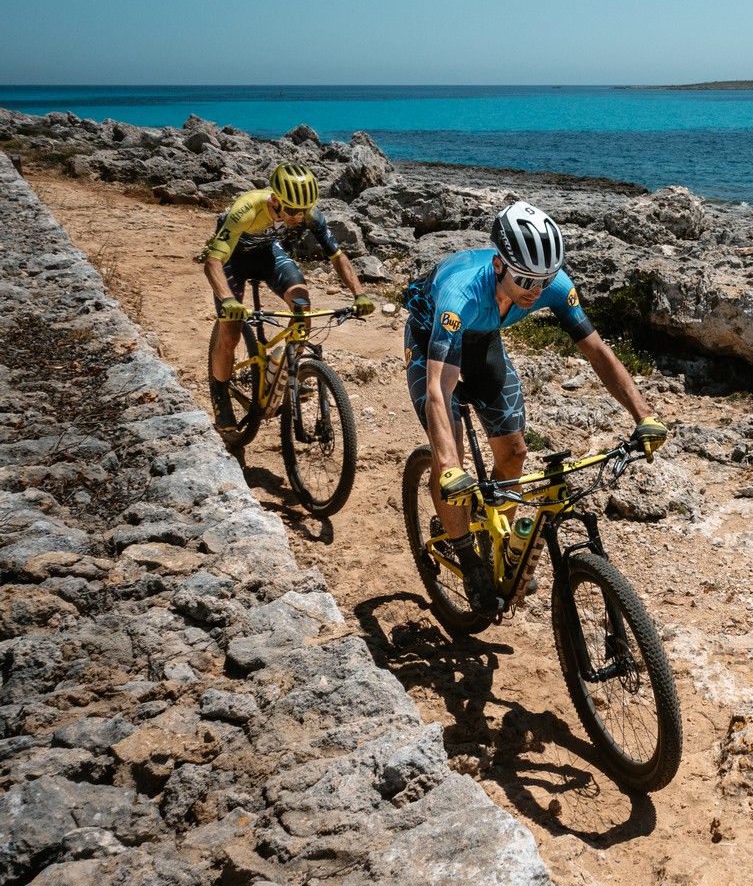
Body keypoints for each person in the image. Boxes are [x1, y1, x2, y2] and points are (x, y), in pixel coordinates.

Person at [404, 200, 666, 612]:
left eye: (544, 280)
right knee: (448, 451)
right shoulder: (461, 295)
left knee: (515, 453)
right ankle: (469, 561)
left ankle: (500, 546)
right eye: (525, 278)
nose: (535, 290)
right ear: (498, 266)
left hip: (485, 344)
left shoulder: (551, 285)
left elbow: (597, 351)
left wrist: (644, 414)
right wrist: (450, 465)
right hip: (431, 344)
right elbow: (439, 387)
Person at [198, 162, 374, 430]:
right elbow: (212, 261)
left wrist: (359, 294)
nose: (297, 217)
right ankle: (220, 396)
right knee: (230, 332)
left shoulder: (308, 213)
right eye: (291, 210)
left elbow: (337, 256)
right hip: (232, 260)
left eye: (303, 211)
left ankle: (290, 373)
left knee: (302, 306)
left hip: (268, 255)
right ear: (276, 199)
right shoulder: (246, 209)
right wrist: (228, 300)